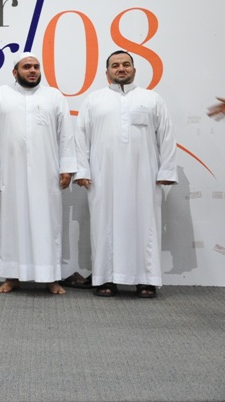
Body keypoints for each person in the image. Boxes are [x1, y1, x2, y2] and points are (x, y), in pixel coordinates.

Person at [75, 50, 177, 298]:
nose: (121, 68)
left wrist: (166, 170)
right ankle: (106, 279)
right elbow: (80, 138)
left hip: (144, 174)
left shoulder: (152, 99)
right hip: (103, 175)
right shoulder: (93, 100)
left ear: (134, 69)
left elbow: (166, 136)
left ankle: (146, 280)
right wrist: (82, 170)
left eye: (126, 64)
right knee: (103, 225)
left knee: (146, 224)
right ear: (107, 72)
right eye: (115, 65)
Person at [0, 54, 76, 295]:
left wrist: (67, 167)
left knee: (47, 224)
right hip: (11, 173)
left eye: (36, 67)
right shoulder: (0, 95)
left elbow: (66, 134)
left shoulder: (54, 96)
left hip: (46, 173)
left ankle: (51, 277)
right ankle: (12, 277)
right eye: (27, 67)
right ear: (15, 72)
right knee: (11, 224)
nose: (32, 70)